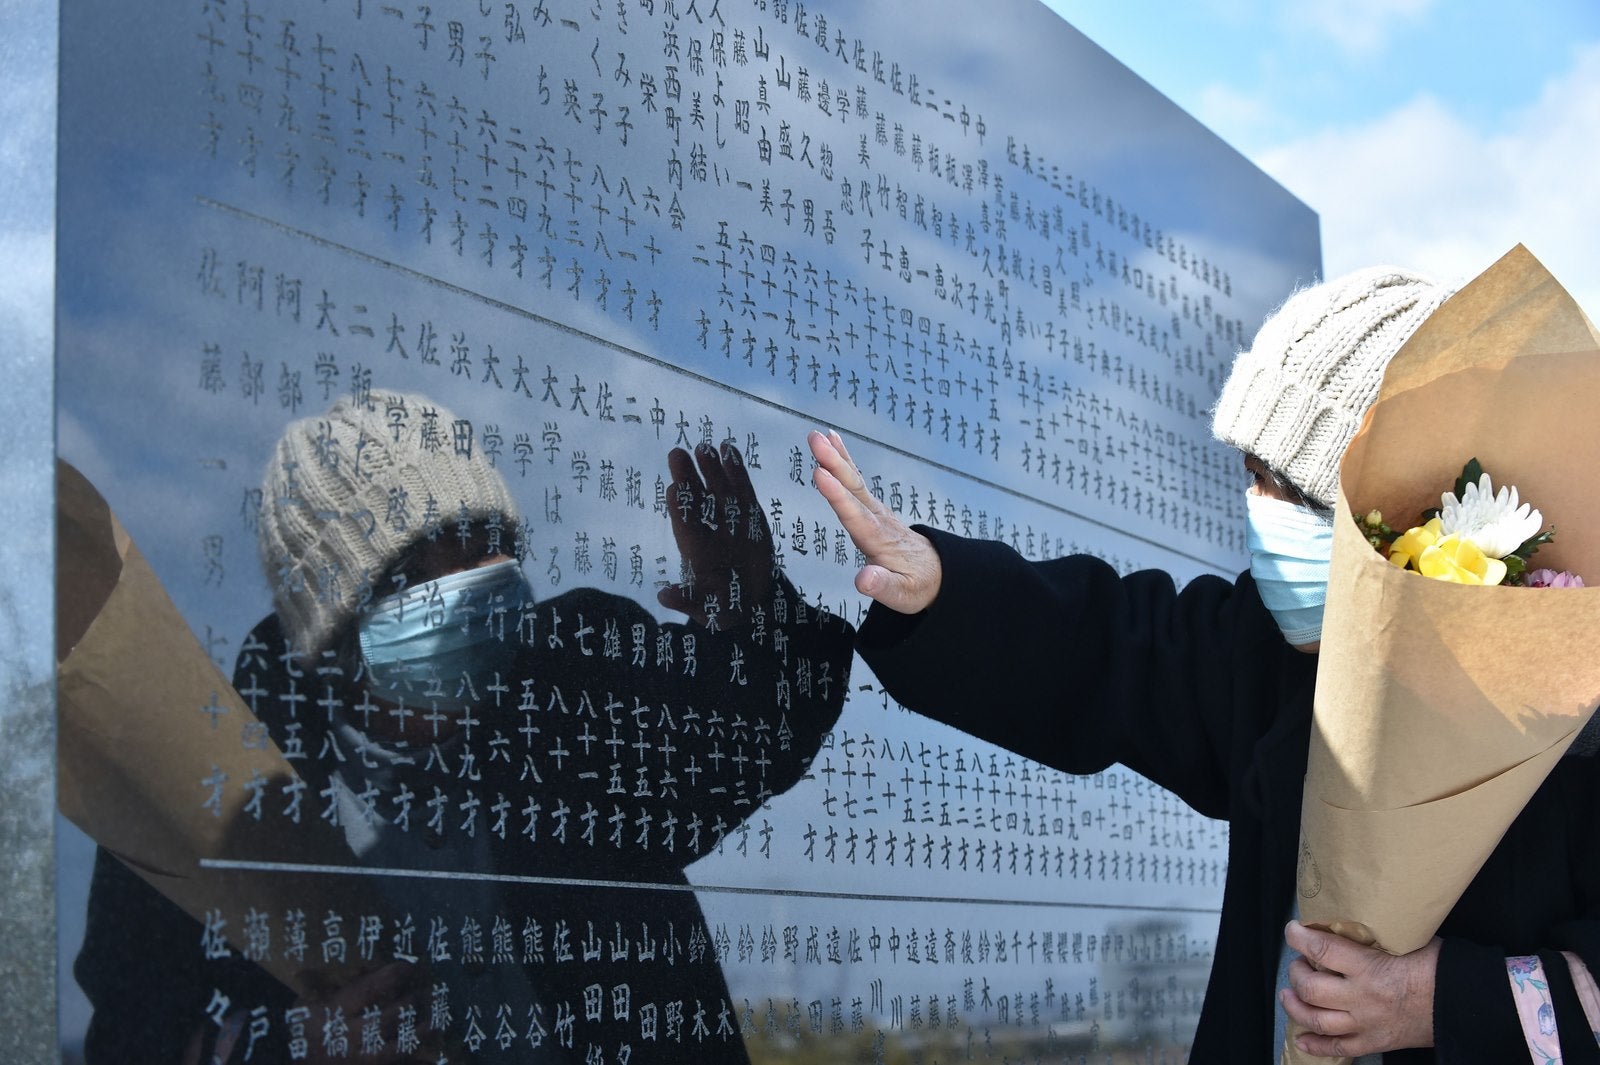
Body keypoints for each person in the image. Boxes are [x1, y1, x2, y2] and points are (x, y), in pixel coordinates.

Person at [806, 266, 1600, 1063]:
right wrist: (944, 586)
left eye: (1287, 489)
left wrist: (1443, 1000)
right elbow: (1117, 651)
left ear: (1398, 505)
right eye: (1251, 478)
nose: (1261, 517)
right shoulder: (1272, 655)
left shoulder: (1571, 685)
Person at [76, 390, 854, 1063]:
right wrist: (287, 1048)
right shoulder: (192, 781)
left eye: (491, 551)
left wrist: (754, 610)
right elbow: (130, 1036)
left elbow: (759, 728)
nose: (476, 589)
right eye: (420, 569)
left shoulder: (577, 675)